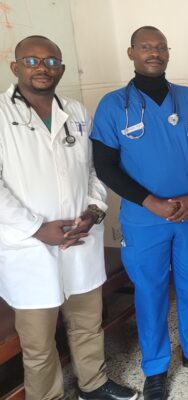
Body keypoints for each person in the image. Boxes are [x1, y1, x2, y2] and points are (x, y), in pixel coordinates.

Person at [92, 26, 188, 400]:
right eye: (146, 47)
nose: (154, 52)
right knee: (149, 292)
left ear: (168, 53)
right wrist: (150, 201)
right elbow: (105, 166)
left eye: (161, 47)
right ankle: (155, 366)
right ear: (132, 52)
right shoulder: (113, 105)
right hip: (145, 220)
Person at [0, 35, 137, 400]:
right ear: (15, 67)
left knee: (88, 325)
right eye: (31, 61)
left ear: (60, 68)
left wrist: (93, 211)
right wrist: (36, 228)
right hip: (28, 248)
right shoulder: (0, 114)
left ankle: (93, 384)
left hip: (80, 239)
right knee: (39, 343)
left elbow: (96, 170)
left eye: (50, 61)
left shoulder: (76, 112)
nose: (42, 67)